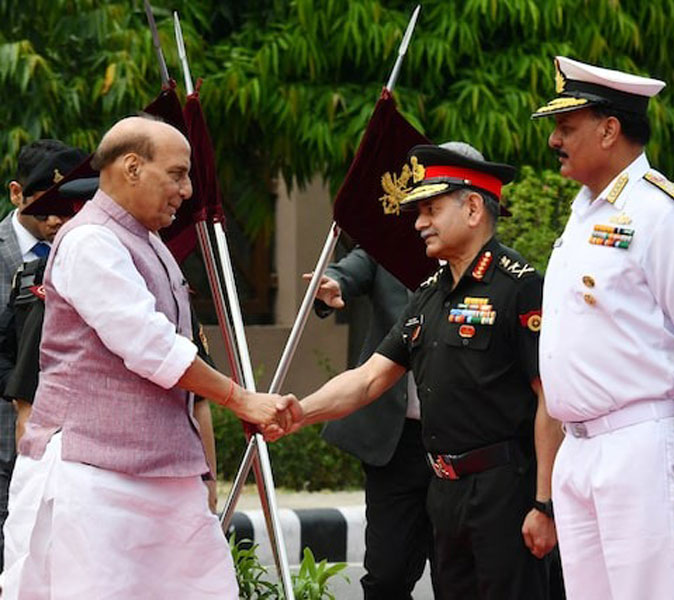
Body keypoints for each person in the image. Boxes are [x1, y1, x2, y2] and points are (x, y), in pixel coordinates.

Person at [0, 115, 301, 599]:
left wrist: (203, 468)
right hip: (92, 476)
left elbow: (175, 359)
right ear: (132, 167)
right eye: (177, 174)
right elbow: (150, 345)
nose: (186, 190)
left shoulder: (146, 239)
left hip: (161, 470)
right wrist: (243, 400)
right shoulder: (88, 240)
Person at [294, 142, 563, 599]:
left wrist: (545, 505)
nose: (418, 223)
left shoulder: (521, 287)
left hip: (504, 490)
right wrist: (296, 412)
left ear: (473, 207)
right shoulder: (429, 294)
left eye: (431, 210)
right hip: (445, 490)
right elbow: (370, 379)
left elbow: (551, 401)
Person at [531, 56, 674, 599]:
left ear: (609, 129)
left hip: (641, 441)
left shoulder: (663, 212)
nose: (554, 141)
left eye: (566, 128)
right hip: (581, 447)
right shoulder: (583, 209)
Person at [310, 247, 434, 599]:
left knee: (458, 578)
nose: (426, 220)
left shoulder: (491, 272)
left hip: (461, 446)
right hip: (396, 444)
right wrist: (332, 283)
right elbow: (348, 272)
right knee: (387, 576)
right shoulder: (388, 248)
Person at [0, 139, 83, 569]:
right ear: (17, 193)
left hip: (76, 451)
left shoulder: (87, 249)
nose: (56, 217)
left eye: (68, 203)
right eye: (43, 204)